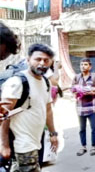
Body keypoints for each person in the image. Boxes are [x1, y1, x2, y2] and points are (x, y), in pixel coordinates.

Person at [0, 43, 58, 172]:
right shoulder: (17, 82)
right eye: (38, 59)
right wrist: (4, 145)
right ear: (28, 60)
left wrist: (53, 134)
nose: (42, 63)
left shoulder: (46, 82)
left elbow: (48, 110)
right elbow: (4, 114)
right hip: (22, 144)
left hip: (37, 141)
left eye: (46, 60)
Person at [71, 58, 95, 157]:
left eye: (85, 65)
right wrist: (77, 92)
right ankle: (83, 147)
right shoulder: (76, 77)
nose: (83, 66)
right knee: (82, 128)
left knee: (93, 128)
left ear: (90, 66)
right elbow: (72, 90)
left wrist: (93, 92)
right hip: (80, 107)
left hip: (92, 107)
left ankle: (93, 147)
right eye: (81, 65)